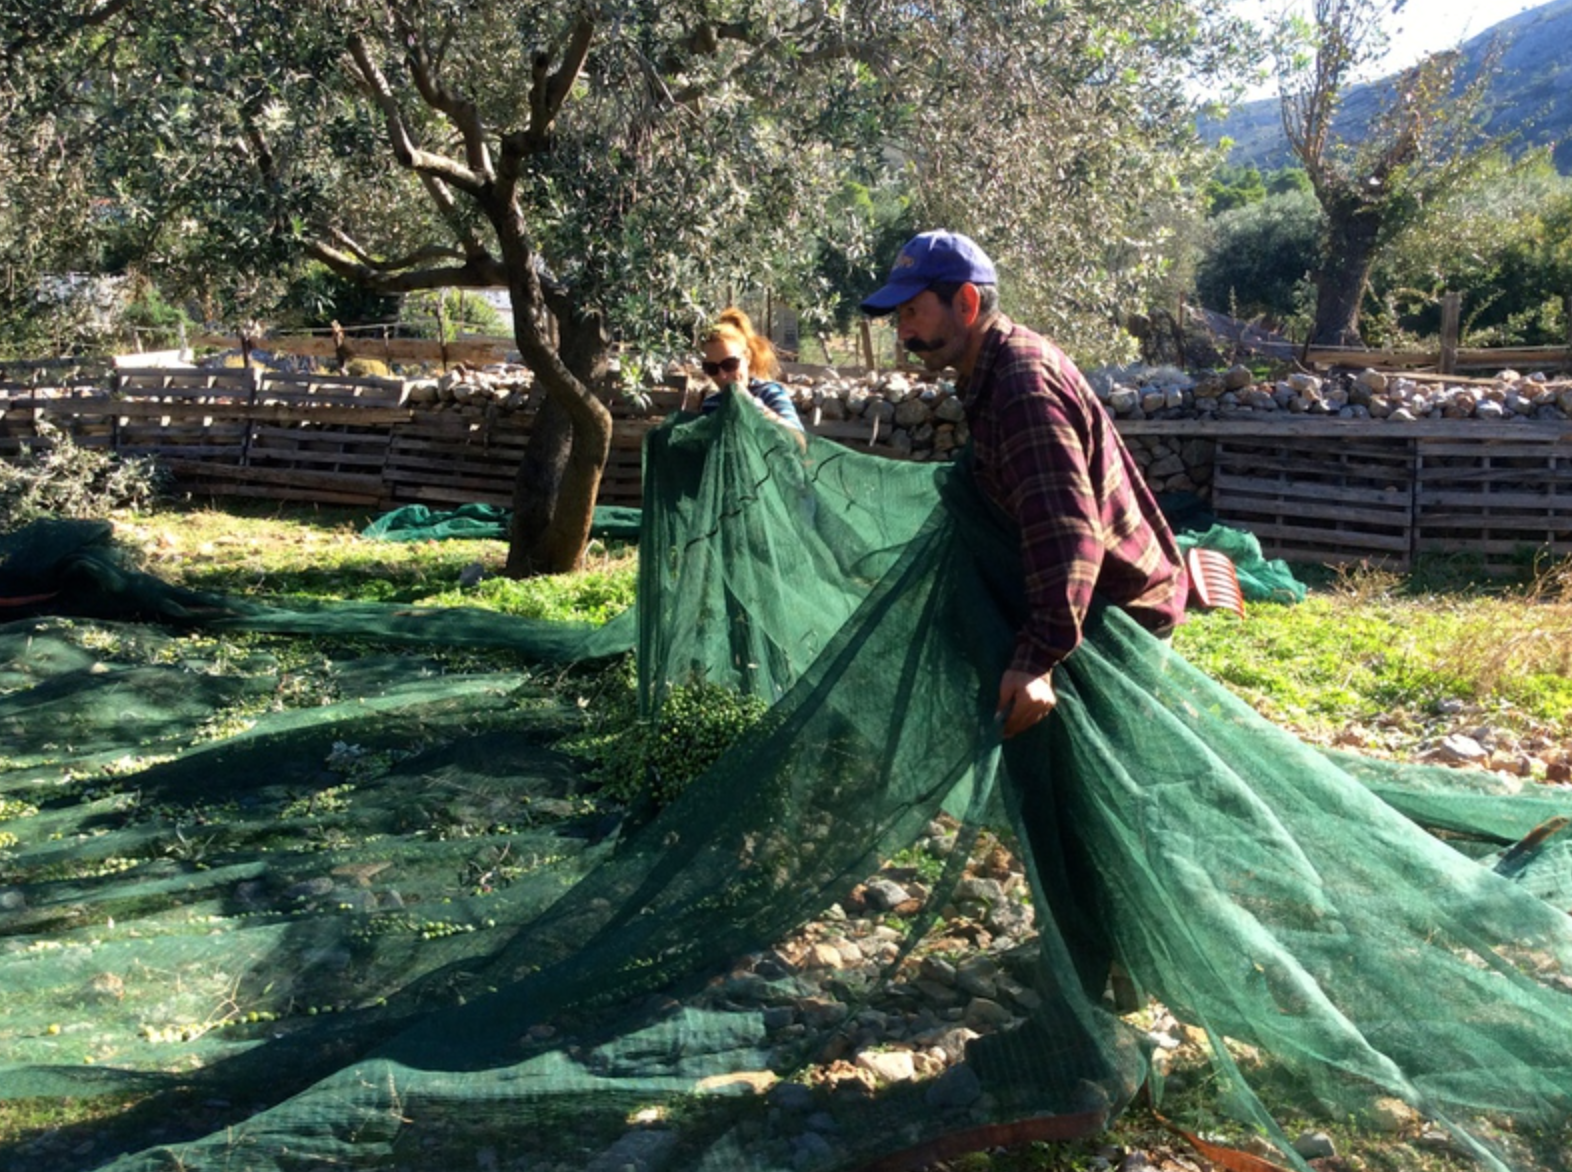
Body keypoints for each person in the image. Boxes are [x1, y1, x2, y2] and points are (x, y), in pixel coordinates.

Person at [860, 230, 1187, 739]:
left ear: (966, 303)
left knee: (1098, 771)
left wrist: (1037, 658)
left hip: (1117, 617)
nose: (903, 333)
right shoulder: (993, 370)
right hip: (1091, 609)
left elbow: (1068, 532)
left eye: (912, 312)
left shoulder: (1022, 387)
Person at [695, 308, 804, 432]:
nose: (722, 375)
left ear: (747, 357)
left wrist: (754, 406)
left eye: (730, 364)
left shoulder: (769, 394)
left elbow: (799, 437)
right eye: (711, 368)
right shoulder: (711, 405)